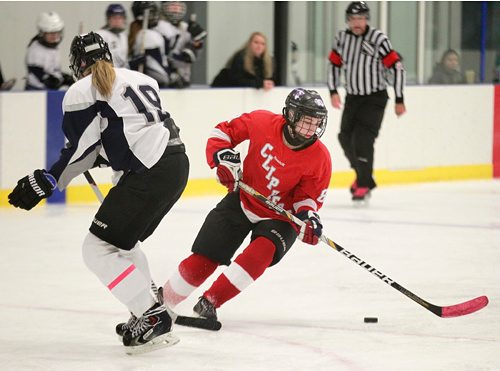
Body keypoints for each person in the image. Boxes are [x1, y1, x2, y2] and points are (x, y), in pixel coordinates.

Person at [8, 32, 189, 354]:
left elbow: (82, 149)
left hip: (149, 172)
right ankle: (144, 309)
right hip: (175, 165)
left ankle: (151, 315)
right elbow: (129, 132)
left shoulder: (81, 90)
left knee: (98, 248)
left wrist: (48, 180)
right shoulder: (140, 78)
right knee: (123, 243)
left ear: (78, 64)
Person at [161, 88, 331, 321]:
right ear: (290, 114)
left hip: (281, 218)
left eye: (317, 122)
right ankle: (162, 302)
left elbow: (307, 197)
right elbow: (222, 133)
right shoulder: (261, 122)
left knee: (260, 253)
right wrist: (222, 157)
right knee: (206, 255)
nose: (311, 128)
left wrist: (308, 218)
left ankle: (210, 301)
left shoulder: (320, 157)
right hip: (243, 200)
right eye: (306, 120)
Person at [327, 1, 406, 202]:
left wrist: (399, 98)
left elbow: (397, 67)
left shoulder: (378, 39)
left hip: (375, 97)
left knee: (363, 140)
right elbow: (334, 65)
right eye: (353, 19)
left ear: (367, 19)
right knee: (344, 137)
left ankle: (363, 183)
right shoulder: (342, 38)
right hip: (353, 97)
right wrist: (333, 91)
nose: (357, 22)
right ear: (348, 21)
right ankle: (364, 177)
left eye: (361, 18)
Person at [155, 1, 207, 88]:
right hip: (164, 79)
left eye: (178, 7)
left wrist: (197, 42)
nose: (176, 11)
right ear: (164, 8)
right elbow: (163, 56)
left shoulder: (186, 27)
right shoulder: (159, 27)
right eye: (172, 7)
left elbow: (194, 55)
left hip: (184, 78)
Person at [25, 11, 73, 90]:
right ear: (42, 33)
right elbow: (36, 70)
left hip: (49, 90)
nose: (54, 36)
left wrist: (64, 78)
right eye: (50, 33)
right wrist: (48, 79)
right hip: (35, 90)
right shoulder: (35, 49)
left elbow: (53, 69)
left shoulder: (54, 48)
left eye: (56, 33)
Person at [128, 1, 172, 87]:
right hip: (154, 85)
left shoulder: (142, 33)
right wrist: (170, 79)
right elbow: (161, 75)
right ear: (141, 16)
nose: (155, 16)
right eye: (152, 13)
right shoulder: (147, 35)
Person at [96, 4, 129, 68]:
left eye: (120, 18)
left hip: (121, 73)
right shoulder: (100, 35)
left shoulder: (123, 36)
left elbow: (123, 61)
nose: (117, 21)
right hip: (107, 73)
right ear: (108, 19)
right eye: (114, 18)